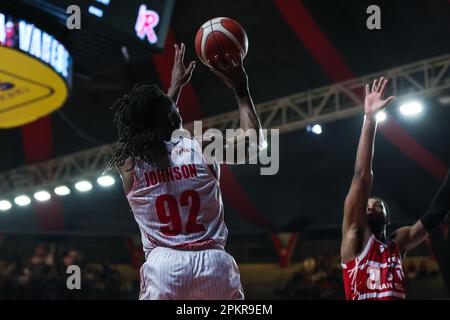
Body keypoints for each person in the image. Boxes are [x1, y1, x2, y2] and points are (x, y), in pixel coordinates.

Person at [106, 43, 264, 299]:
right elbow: (253, 144)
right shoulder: (202, 145)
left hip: (164, 268)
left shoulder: (129, 163)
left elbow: (153, 124)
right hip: (214, 265)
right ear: (172, 118)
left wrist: (173, 91)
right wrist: (241, 91)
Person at [341, 76, 450, 300]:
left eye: (378, 205)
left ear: (388, 218)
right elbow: (362, 176)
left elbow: (437, 213)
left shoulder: (398, 244)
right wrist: (370, 119)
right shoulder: (354, 239)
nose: (370, 207)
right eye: (368, 205)